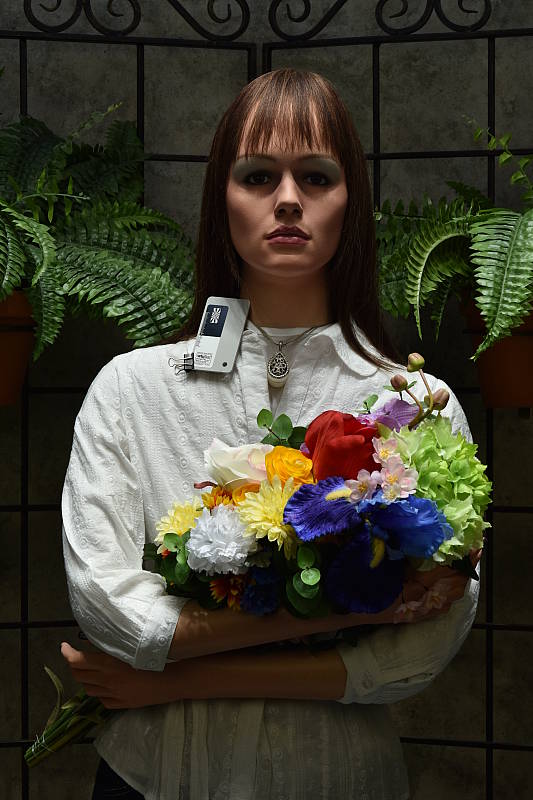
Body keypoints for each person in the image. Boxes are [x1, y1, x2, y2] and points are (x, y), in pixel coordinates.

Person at [60, 68, 480, 800]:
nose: (287, 199)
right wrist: (368, 604)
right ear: (220, 197)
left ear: (351, 201)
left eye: (315, 176)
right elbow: (109, 608)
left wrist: (180, 679)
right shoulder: (130, 390)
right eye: (258, 175)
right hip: (150, 777)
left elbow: (420, 654)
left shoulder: (418, 404)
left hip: (340, 779)